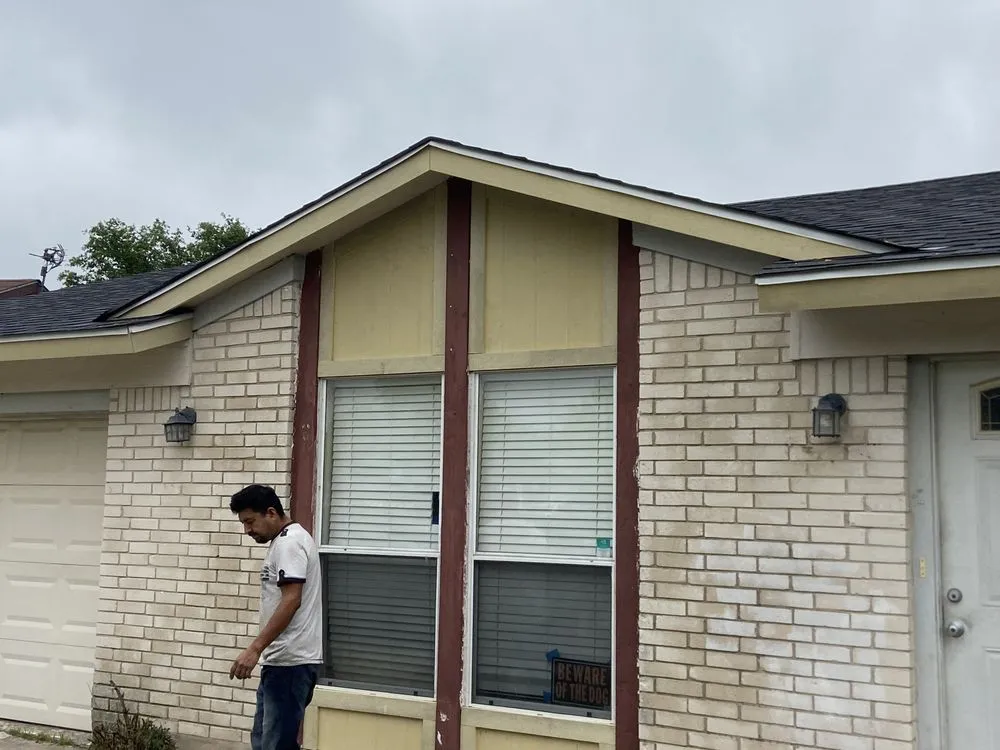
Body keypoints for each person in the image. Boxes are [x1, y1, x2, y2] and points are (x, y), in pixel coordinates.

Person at [228, 484, 323, 750]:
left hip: (291, 663)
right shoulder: (286, 540)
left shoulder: (289, 543)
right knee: (264, 742)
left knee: (274, 745)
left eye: (250, 521)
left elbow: (292, 600)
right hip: (281, 662)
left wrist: (254, 648)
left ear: (271, 512)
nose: (247, 530)